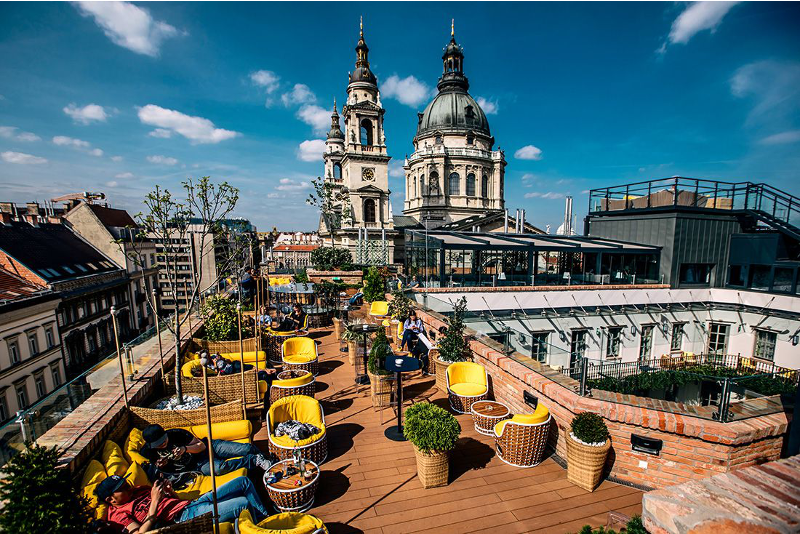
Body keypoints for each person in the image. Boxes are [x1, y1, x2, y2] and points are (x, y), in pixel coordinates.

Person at [97, 473, 270, 533]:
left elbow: (174, 501)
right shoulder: (118, 515)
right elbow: (139, 533)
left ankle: (264, 521)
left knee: (243, 481)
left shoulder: (138, 489)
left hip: (191, 503)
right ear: (110, 499)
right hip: (184, 517)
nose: (128, 487)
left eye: (125, 483)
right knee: (242, 503)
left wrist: (169, 492)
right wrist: (155, 502)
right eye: (122, 488)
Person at [139, 424, 273, 477]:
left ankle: (267, 459)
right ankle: (255, 460)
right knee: (220, 468)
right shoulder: (147, 452)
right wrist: (159, 466)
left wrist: (185, 449)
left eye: (163, 441)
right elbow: (154, 470)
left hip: (209, 447)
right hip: (198, 465)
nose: (162, 445)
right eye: (158, 444)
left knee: (245, 448)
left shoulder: (176, 433)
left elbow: (201, 446)